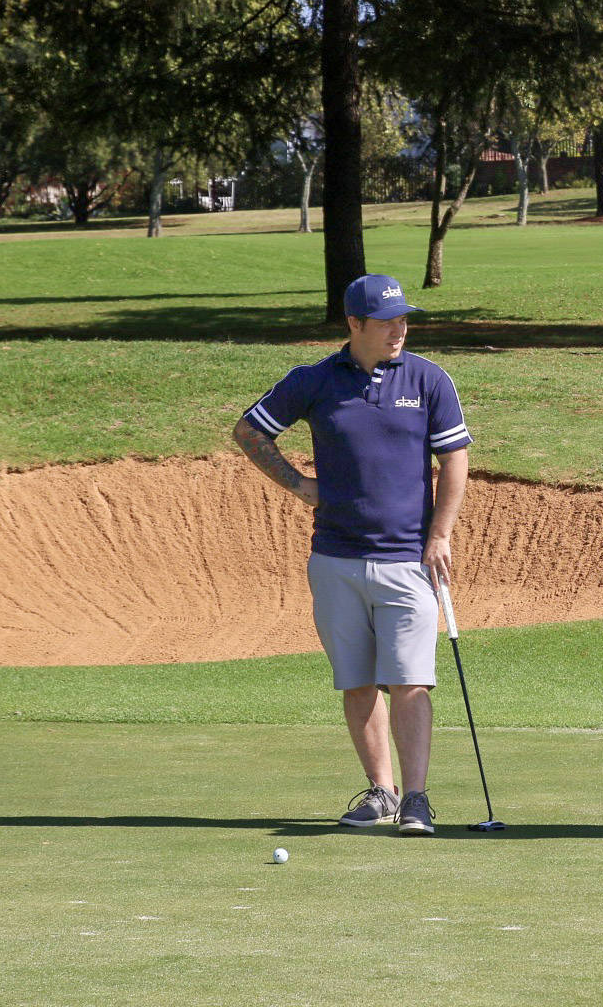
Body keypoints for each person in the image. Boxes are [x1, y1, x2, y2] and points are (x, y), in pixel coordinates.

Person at [233, 274, 472, 837]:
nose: (399, 329)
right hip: (335, 559)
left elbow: (455, 459)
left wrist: (440, 535)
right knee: (358, 682)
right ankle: (381, 793)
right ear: (355, 323)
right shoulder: (314, 380)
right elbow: (249, 433)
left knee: (411, 681)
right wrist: (299, 485)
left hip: (408, 560)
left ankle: (416, 799)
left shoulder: (429, 379)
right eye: (387, 321)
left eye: (404, 319)